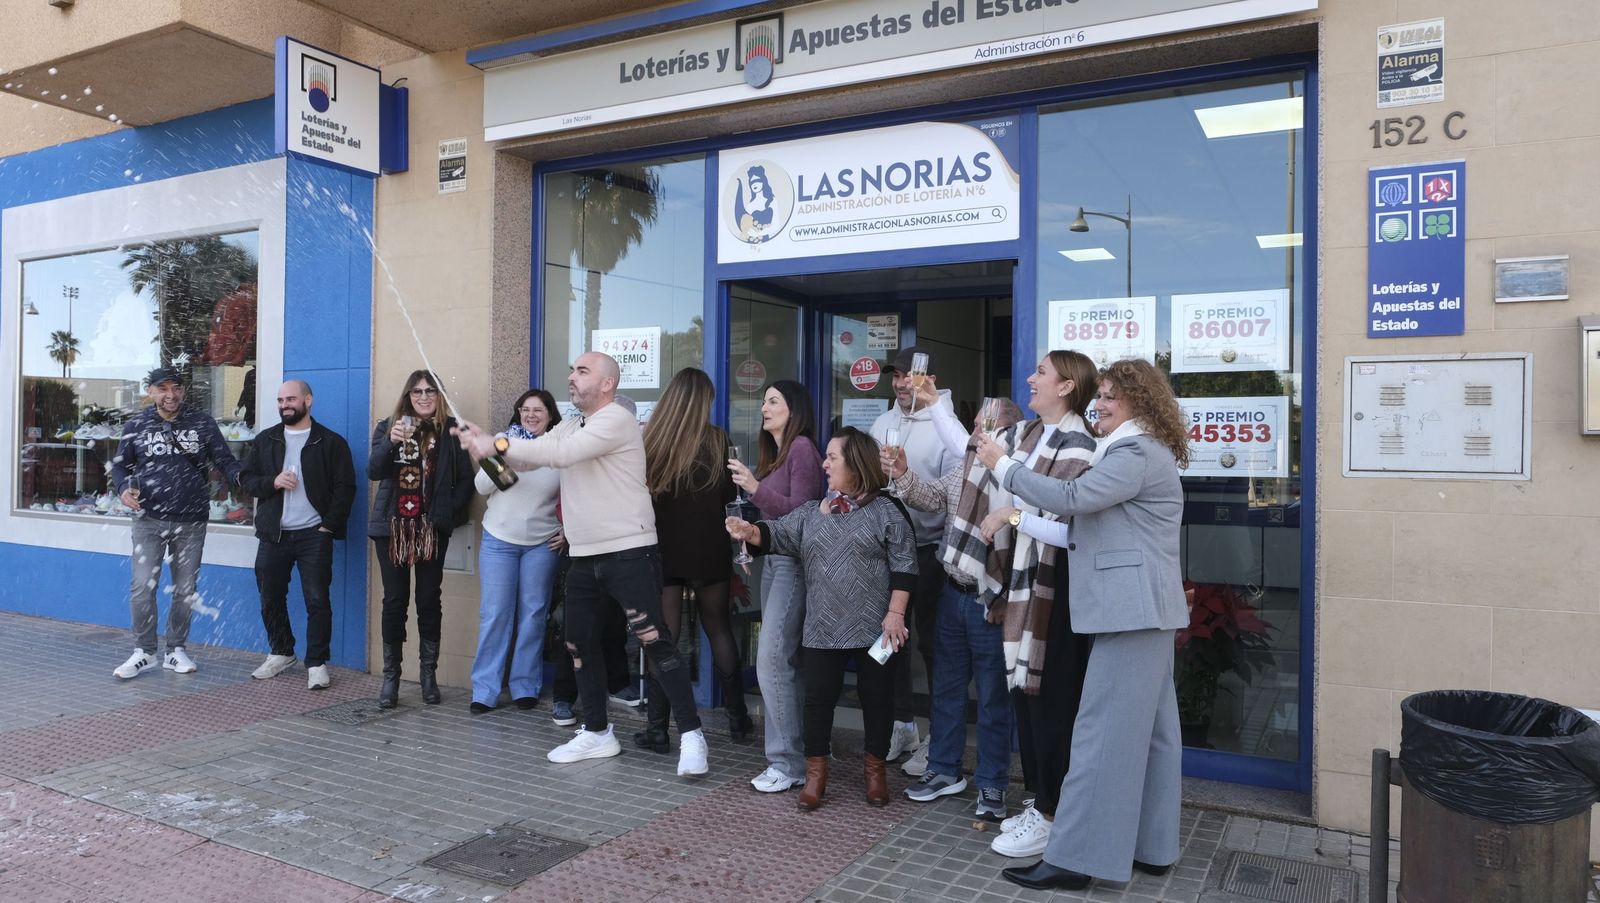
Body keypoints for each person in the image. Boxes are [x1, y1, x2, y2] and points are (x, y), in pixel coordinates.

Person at [974, 358, 1189, 891]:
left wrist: (1004, 468)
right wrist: (1017, 516)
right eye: (1103, 395)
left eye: (1113, 396)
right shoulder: (1137, 451)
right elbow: (1075, 527)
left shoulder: (1135, 452)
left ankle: (1076, 860)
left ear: (1140, 401)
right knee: (1157, 738)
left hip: (1131, 613)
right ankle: (1153, 847)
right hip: (1145, 611)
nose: (1102, 403)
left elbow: (1072, 499)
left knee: (1099, 735)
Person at [452, 352, 711, 777]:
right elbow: (533, 456)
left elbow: (566, 454)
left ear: (607, 383)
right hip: (584, 556)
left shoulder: (617, 420)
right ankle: (597, 732)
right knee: (577, 643)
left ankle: (692, 735)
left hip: (629, 550)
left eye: (582, 371)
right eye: (571, 369)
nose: (571, 377)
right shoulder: (571, 423)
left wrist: (495, 444)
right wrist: (486, 444)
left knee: (654, 640)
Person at [725, 427, 917, 811]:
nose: (824, 464)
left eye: (832, 457)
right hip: (822, 628)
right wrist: (750, 531)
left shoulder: (888, 512)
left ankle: (874, 772)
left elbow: (906, 566)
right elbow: (777, 533)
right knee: (817, 702)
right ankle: (815, 776)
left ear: (857, 463)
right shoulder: (813, 512)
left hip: (876, 628)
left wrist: (896, 615)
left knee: (877, 700)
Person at [110, 366, 243, 679]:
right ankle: (144, 651)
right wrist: (122, 489)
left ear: (184, 390)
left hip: (191, 520)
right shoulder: (137, 423)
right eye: (163, 389)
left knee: (185, 590)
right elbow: (120, 467)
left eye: (176, 388)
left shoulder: (202, 422)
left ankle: (175, 650)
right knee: (143, 587)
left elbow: (224, 460)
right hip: (148, 519)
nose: (170, 395)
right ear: (151, 392)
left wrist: (243, 478)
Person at [638, 368, 745, 752]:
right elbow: (730, 496)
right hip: (709, 547)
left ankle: (657, 728)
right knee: (719, 628)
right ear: (704, 402)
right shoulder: (717, 441)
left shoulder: (653, 439)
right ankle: (738, 721)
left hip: (663, 548)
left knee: (663, 638)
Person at [727, 379, 823, 794]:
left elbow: (801, 514)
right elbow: (776, 516)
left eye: (773, 401)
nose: (764, 407)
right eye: (763, 400)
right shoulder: (780, 453)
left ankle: (787, 763)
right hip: (776, 562)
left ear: (794, 408)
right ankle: (802, 753)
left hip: (795, 565)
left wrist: (753, 486)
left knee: (770, 661)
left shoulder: (801, 447)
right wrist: (752, 538)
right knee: (787, 663)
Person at [869, 345, 960, 774]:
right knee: (891, 644)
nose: (902, 383)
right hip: (885, 552)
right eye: (897, 376)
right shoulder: (882, 422)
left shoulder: (950, 429)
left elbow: (951, 499)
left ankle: (937, 739)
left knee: (933, 648)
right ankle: (903, 725)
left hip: (930, 554)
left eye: (910, 376)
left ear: (930, 380)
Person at [240, 380, 357, 691]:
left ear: (308, 400)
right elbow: (247, 480)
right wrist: (273, 482)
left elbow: (346, 489)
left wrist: (328, 526)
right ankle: (281, 651)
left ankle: (317, 663)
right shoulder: (266, 440)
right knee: (269, 597)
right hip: (273, 534)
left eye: (290, 399)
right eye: (280, 400)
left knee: (317, 600)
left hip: (313, 534)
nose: (284, 405)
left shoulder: (330, 442)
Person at [368, 370, 474, 709]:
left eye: (430, 391)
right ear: (407, 395)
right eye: (417, 391)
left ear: (439, 395)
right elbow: (374, 470)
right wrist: (391, 443)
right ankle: (391, 680)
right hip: (392, 528)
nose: (424, 397)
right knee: (395, 601)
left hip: (430, 529)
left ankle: (428, 676)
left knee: (429, 599)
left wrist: (445, 514)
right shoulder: (390, 426)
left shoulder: (451, 431)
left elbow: (467, 480)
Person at [468, 389, 565, 713]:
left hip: (542, 543)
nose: (531, 415)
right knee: (495, 615)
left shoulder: (558, 449)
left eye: (538, 410)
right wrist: (504, 458)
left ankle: (525, 686)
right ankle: (485, 689)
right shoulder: (503, 442)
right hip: (499, 542)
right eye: (525, 410)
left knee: (534, 615)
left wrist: (568, 530)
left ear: (551, 414)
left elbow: (577, 495)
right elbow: (481, 488)